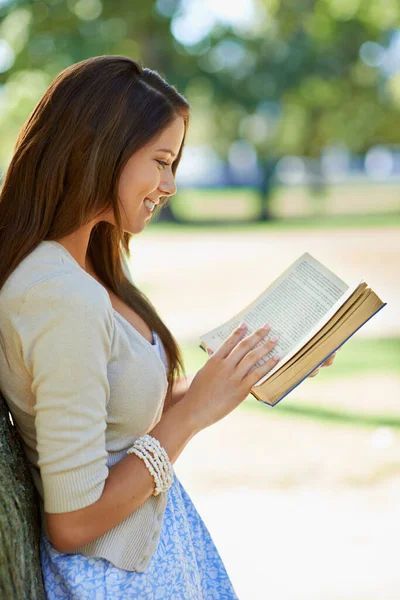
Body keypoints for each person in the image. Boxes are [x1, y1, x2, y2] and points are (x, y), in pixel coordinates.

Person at [0, 55, 336, 599]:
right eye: (161, 161)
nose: (170, 184)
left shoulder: (87, 266)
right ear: (99, 149)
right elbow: (73, 522)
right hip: (117, 578)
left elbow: (113, 418)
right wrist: (195, 413)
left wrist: (245, 371)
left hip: (155, 559)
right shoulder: (57, 295)